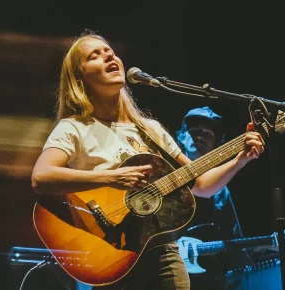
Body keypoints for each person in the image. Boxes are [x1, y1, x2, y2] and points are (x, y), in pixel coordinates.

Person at [31, 29, 265, 290]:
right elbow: (42, 177)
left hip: (163, 253)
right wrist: (111, 177)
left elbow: (201, 185)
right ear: (79, 78)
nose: (109, 57)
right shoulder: (75, 128)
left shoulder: (150, 129)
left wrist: (239, 160)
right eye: (95, 56)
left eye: (110, 52)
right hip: (110, 254)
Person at [176, 106, 255, 290]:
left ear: (216, 145)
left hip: (206, 279)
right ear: (180, 136)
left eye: (207, 134)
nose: (200, 137)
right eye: (194, 132)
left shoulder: (221, 191)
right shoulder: (164, 177)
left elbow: (232, 239)